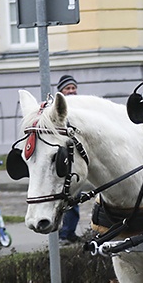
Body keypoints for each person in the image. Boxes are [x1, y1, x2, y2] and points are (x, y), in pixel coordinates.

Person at [56, 75, 81, 243]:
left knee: (75, 199)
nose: (71, 91)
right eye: (68, 88)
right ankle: (64, 233)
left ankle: (69, 232)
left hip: (78, 162)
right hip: (64, 161)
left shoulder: (81, 108)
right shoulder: (58, 111)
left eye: (73, 88)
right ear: (61, 92)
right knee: (68, 199)